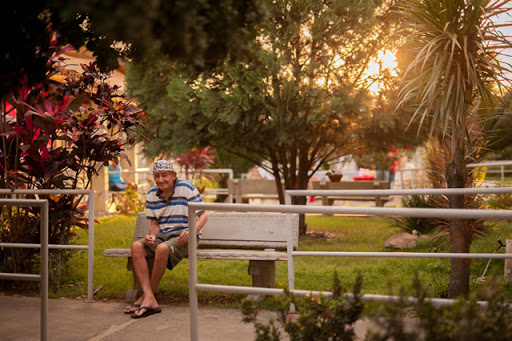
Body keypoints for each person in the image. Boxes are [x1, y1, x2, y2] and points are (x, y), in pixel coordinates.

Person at [125, 160, 208, 319]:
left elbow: (203, 216)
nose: (160, 179)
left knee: (162, 248)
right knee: (136, 246)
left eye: (164, 175)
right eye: (157, 176)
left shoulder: (187, 188)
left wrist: (192, 230)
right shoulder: (151, 194)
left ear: (173, 175)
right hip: (163, 235)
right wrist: (152, 235)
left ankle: (147, 297)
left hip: (185, 237)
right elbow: (155, 223)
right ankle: (149, 298)